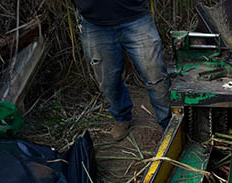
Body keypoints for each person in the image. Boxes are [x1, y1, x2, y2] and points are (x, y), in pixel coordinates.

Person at [73, 0, 172, 141]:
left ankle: (168, 122)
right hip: (95, 22)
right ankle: (121, 117)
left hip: (136, 16)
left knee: (155, 76)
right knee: (108, 81)